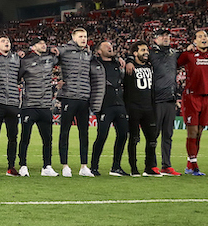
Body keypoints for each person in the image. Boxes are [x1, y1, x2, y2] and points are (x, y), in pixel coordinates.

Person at [177, 29, 208, 176]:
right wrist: (184, 49)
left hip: (205, 98)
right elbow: (174, 63)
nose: (203, 38)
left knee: (199, 133)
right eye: (200, 36)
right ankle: (194, 166)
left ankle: (190, 164)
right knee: (192, 132)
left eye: (205, 36)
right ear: (195, 41)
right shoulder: (188, 55)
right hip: (191, 97)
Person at [17, 37, 59, 177]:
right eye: (40, 43)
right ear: (33, 47)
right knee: (25, 137)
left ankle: (47, 166)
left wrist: (52, 48)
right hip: (29, 105)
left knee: (48, 138)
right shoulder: (25, 61)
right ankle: (23, 165)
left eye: (44, 43)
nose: (44, 45)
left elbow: (61, 55)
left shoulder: (49, 59)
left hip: (45, 106)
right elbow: (17, 76)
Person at [56, 28, 94, 177]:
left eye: (85, 36)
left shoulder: (88, 54)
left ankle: (84, 166)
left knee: (84, 133)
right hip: (69, 96)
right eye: (80, 36)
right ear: (73, 37)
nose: (83, 39)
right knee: (64, 131)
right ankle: (65, 165)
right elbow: (54, 54)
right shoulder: (64, 50)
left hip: (84, 97)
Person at [89, 41, 128, 176]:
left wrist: (124, 60)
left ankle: (116, 167)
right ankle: (94, 167)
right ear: (99, 51)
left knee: (123, 135)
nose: (110, 47)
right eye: (106, 46)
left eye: (111, 45)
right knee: (102, 136)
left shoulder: (117, 63)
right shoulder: (94, 64)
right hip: (104, 105)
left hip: (119, 103)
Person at [148, 31, 182, 176]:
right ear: (156, 39)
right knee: (153, 135)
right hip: (156, 99)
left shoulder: (174, 53)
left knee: (168, 135)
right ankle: (151, 165)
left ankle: (166, 166)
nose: (166, 38)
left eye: (168, 36)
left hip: (170, 99)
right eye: (162, 36)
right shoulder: (150, 53)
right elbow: (134, 56)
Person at [0, 35, 21, 176]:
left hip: (12, 102)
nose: (7, 43)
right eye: (3, 41)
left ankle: (11, 167)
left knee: (13, 137)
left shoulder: (17, 58)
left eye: (8, 41)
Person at [124, 41, 159, 176]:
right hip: (133, 108)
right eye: (143, 50)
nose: (146, 52)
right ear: (135, 53)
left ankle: (149, 167)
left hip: (149, 108)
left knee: (152, 140)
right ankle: (134, 168)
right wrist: (129, 60)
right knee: (134, 139)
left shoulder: (150, 66)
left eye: (147, 50)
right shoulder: (129, 68)